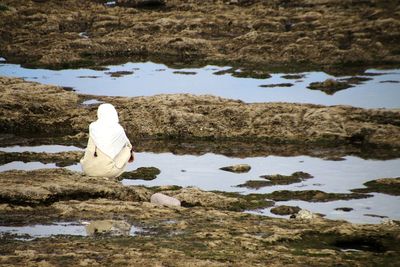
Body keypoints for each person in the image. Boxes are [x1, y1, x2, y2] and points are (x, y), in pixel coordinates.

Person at [80, 103, 134, 178]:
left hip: (87, 170)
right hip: (107, 172)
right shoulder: (118, 129)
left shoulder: (92, 126)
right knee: (128, 148)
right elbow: (128, 144)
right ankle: (114, 170)